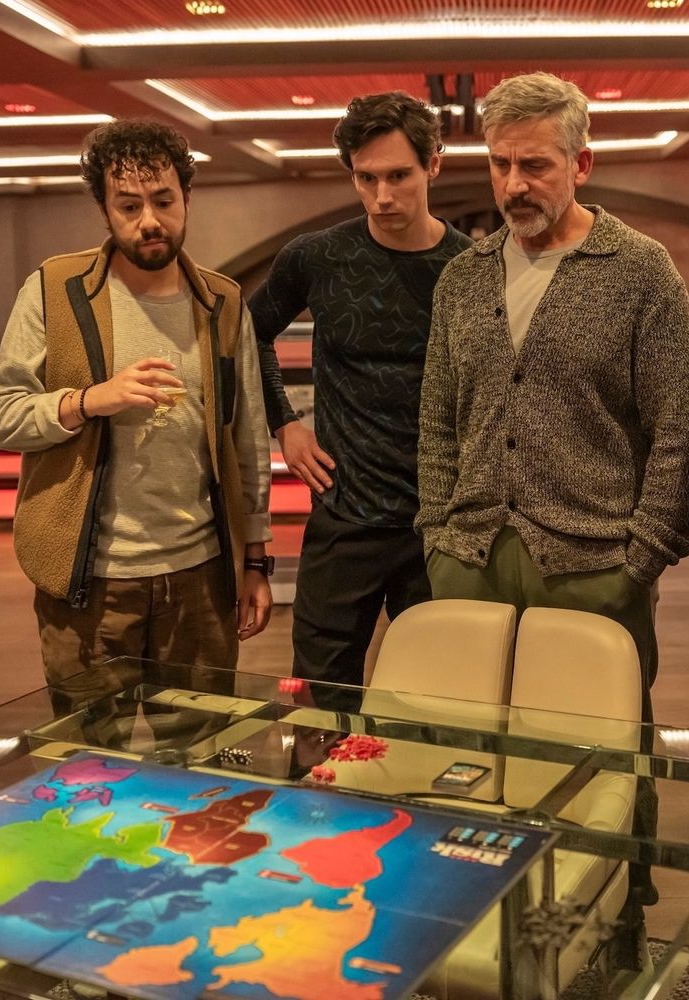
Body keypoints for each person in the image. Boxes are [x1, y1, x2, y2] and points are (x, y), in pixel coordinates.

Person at [415, 71, 689, 931]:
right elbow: (437, 416)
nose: (515, 185)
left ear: (582, 163)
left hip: (594, 564)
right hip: (468, 555)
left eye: (537, 165)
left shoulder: (639, 271)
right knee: (471, 754)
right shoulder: (465, 279)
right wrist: (436, 529)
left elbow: (683, 426)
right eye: (502, 164)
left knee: (605, 760)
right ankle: (481, 918)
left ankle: (616, 920)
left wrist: (642, 554)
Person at [0, 118, 273, 708]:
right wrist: (90, 400)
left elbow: (247, 439)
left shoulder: (221, 302)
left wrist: (257, 559)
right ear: (104, 209)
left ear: (186, 198)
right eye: (129, 204)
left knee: (202, 751)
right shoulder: (54, 289)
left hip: (200, 578)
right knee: (90, 758)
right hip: (91, 582)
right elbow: (0, 413)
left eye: (164, 201)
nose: (150, 221)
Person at [249, 92, 471, 690]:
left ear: (434, 165)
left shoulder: (472, 268)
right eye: (365, 178)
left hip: (439, 527)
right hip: (344, 515)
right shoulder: (317, 257)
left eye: (398, 176)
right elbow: (248, 333)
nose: (382, 197)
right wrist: (285, 423)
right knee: (321, 699)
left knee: (438, 703)